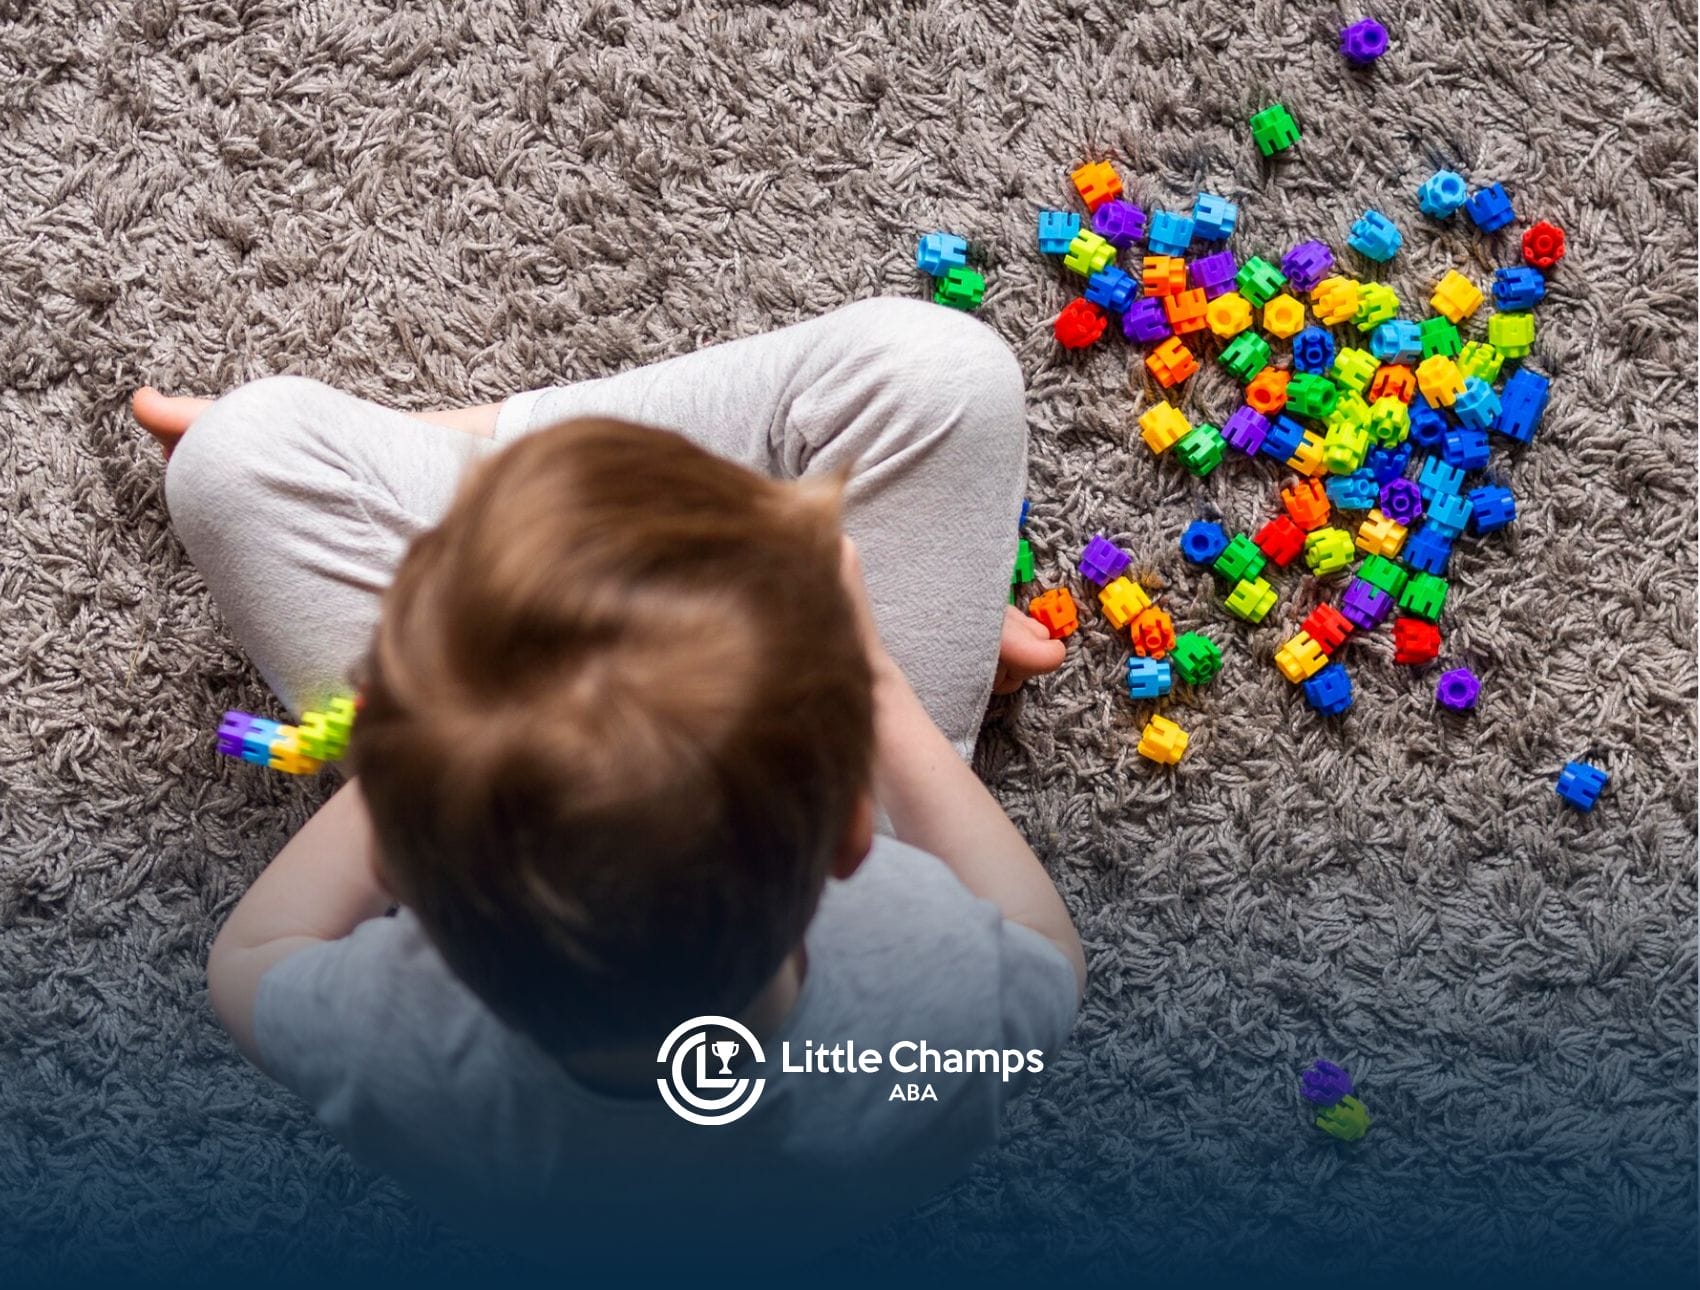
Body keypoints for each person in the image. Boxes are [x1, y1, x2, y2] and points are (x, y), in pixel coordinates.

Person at [135, 297, 1083, 1270]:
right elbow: (1045, 944)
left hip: (533, 771)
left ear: (402, 873)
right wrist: (879, 679)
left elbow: (251, 955)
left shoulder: (402, 1045)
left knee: (233, 457)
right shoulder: (930, 1010)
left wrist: (419, 726)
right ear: (848, 822)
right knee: (942, 371)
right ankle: (558, 506)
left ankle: (466, 470)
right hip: (838, 770)